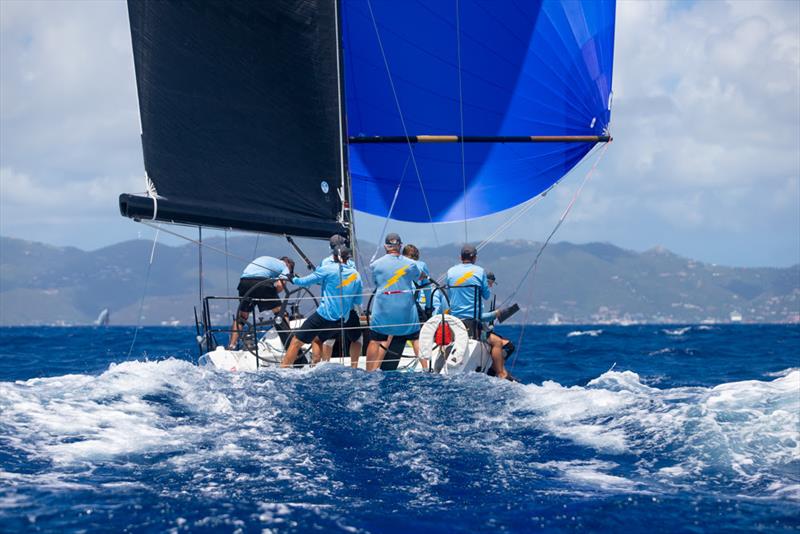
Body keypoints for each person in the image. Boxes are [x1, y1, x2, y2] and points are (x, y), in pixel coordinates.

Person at [280, 247, 362, 368]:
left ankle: (283, 369)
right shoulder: (356, 275)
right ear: (347, 258)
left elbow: (304, 282)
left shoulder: (327, 269)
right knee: (318, 339)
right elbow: (357, 300)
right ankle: (316, 369)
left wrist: (292, 278)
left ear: (333, 257)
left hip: (324, 315)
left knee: (296, 341)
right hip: (341, 320)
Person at [443, 244, 510, 380]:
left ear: (460, 257)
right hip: (474, 323)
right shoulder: (479, 271)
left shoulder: (450, 272)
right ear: (474, 258)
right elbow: (486, 296)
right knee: (497, 342)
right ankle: (501, 374)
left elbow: (450, 292)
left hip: (455, 321)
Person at [366, 233, 422, 371]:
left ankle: (369, 371)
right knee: (416, 337)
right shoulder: (411, 264)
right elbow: (419, 277)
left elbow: (376, 282)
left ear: (386, 246)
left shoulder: (375, 265)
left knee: (375, 339)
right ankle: (426, 369)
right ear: (400, 246)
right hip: (405, 313)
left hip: (383, 311)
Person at [228, 255, 294, 349]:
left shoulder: (269, 260)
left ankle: (232, 345)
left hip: (244, 282)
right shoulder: (285, 267)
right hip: (261, 282)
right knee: (281, 313)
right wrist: (272, 293)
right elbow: (280, 285)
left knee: (242, 317)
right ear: (289, 265)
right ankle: (290, 345)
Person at [320, 234, 362, 367]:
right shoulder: (351, 263)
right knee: (357, 339)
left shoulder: (324, 262)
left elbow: (320, 280)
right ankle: (354, 366)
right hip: (348, 307)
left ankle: (325, 365)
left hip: (331, 309)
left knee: (328, 339)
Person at [402, 244, 432, 369]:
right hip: (414, 305)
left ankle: (376, 366)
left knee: (390, 333)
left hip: (398, 304)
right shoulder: (422, 265)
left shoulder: (399, 264)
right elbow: (427, 288)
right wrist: (429, 308)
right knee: (416, 337)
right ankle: (425, 368)